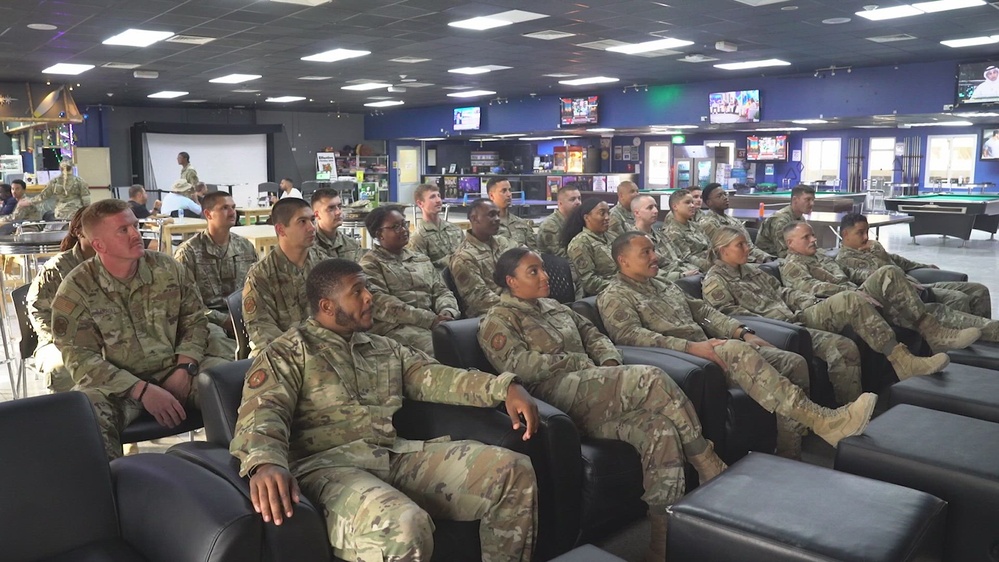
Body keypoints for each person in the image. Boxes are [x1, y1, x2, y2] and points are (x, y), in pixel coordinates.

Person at [230, 258, 539, 562]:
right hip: (329, 470)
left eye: (368, 289)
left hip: (392, 456)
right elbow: (264, 411)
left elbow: (438, 377)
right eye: (357, 291)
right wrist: (265, 463)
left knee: (513, 470)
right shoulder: (287, 353)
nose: (369, 297)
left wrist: (504, 387)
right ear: (327, 306)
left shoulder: (383, 348)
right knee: (405, 526)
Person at [478, 247, 726, 561]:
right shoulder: (498, 320)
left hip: (595, 393)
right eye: (533, 272)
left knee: (659, 429)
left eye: (543, 269)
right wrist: (577, 361)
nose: (545, 276)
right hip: (555, 397)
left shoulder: (555, 306)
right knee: (651, 378)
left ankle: (661, 539)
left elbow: (593, 335)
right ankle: (706, 462)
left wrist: (608, 360)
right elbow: (519, 366)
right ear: (511, 281)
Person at [598, 232, 878, 457]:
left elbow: (705, 313)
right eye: (645, 252)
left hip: (712, 347)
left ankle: (789, 451)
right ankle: (824, 421)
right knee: (734, 350)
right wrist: (690, 348)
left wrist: (742, 332)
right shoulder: (614, 295)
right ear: (623, 260)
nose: (655, 256)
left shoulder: (665, 285)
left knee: (792, 362)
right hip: (684, 361)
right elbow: (629, 336)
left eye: (653, 250)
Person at [51, 199, 228, 459]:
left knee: (234, 384)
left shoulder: (168, 269)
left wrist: (185, 367)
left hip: (178, 370)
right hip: (119, 387)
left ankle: (247, 471)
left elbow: (195, 320)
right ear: (99, 245)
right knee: (83, 416)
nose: (135, 234)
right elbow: (80, 358)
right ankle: (109, 484)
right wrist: (141, 390)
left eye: (135, 225)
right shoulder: (76, 289)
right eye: (123, 230)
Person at [702, 226, 950, 404]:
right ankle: (849, 407)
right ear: (723, 250)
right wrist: (775, 325)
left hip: (798, 317)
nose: (748, 248)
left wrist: (815, 302)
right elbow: (728, 317)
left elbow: (785, 293)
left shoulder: (753, 271)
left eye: (746, 243)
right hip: (777, 331)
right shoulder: (715, 281)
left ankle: (894, 367)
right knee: (843, 345)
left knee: (850, 302)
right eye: (740, 245)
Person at [780, 222, 986, 352]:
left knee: (900, 281)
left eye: (813, 235)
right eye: (806, 237)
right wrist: (851, 291)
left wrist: (876, 277)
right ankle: (932, 332)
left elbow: (850, 273)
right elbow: (814, 288)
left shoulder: (821, 255)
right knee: (888, 272)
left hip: (857, 293)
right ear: (790, 243)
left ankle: (953, 338)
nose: (814, 239)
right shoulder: (792, 265)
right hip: (839, 305)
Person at [838, 213, 992, 318]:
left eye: (867, 232)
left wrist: (925, 266)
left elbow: (899, 261)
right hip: (908, 295)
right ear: (845, 234)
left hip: (920, 285)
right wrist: (880, 251)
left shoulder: (870, 249)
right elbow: (881, 276)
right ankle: (963, 349)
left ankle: (984, 343)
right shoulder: (845, 259)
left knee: (979, 290)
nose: (866, 237)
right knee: (958, 298)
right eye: (860, 233)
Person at [360, 205, 459, 355]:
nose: (404, 230)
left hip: (435, 322)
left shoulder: (420, 259)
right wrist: (429, 319)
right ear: (379, 234)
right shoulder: (370, 264)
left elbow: (441, 291)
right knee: (442, 350)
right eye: (396, 227)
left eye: (404, 224)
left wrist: (447, 312)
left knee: (470, 341)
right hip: (396, 327)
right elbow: (382, 303)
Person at [174, 191, 258, 351]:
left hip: (243, 315)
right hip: (207, 319)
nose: (232, 212)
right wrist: (223, 320)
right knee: (217, 343)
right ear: (208, 214)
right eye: (224, 208)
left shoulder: (245, 247)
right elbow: (186, 304)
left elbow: (257, 288)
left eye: (233, 207)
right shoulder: (189, 252)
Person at [26, 207, 96, 392]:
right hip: (59, 341)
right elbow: (39, 311)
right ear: (79, 232)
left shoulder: (117, 263)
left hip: (106, 338)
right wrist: (65, 341)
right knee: (64, 370)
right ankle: (67, 410)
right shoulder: (57, 268)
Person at [243, 198, 322, 356]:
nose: (312, 227)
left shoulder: (324, 265)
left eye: (312, 220)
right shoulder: (261, 275)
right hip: (283, 353)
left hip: (323, 346)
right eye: (302, 222)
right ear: (281, 229)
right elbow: (261, 328)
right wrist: (301, 353)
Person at [450, 198, 520, 317]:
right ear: (474, 219)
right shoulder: (464, 257)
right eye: (491, 215)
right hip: (490, 314)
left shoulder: (503, 242)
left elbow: (528, 259)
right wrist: (517, 305)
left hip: (516, 303)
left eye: (497, 214)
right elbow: (479, 299)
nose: (497, 219)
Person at [700, 183, 774, 263]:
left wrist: (766, 258)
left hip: (748, 259)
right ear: (709, 202)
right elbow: (725, 253)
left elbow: (749, 247)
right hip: (731, 264)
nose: (725, 198)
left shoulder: (734, 221)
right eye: (719, 196)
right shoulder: (708, 223)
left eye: (725, 194)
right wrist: (757, 261)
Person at [564, 198, 615, 297]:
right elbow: (589, 282)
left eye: (608, 213)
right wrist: (620, 287)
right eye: (602, 213)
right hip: (602, 295)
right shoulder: (580, 243)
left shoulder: (611, 236)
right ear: (587, 218)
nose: (607, 217)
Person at [408, 183, 463, 270]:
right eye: (432, 197)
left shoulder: (454, 229)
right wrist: (449, 260)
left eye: (439, 196)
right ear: (420, 203)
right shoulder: (418, 237)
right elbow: (421, 270)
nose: (438, 200)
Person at [660, 188, 713, 273]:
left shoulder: (695, 226)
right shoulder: (672, 232)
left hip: (711, 262)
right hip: (699, 269)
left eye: (692, 202)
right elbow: (687, 258)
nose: (692, 205)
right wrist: (713, 265)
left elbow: (710, 246)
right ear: (675, 206)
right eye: (687, 202)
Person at [755, 184, 815, 258]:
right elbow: (784, 253)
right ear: (795, 200)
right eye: (807, 200)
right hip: (770, 260)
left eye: (813, 200)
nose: (812, 203)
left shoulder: (800, 218)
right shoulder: (780, 220)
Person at [23, 160, 90, 220]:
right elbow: (86, 200)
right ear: (72, 168)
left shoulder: (54, 182)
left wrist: (29, 201)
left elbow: (43, 196)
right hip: (76, 213)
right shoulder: (79, 181)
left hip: (60, 213)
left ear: (60, 169)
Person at [311, 188, 364, 261]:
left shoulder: (352, 245)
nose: (338, 212)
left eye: (339, 206)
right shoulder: (308, 246)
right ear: (317, 215)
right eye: (331, 208)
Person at [486, 176, 536, 248]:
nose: (509, 194)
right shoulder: (486, 226)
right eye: (504, 191)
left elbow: (534, 250)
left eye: (510, 190)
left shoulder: (521, 223)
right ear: (491, 196)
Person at [537, 184, 581, 257]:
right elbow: (559, 254)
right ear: (560, 203)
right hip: (556, 262)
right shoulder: (550, 224)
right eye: (572, 199)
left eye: (579, 198)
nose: (578, 202)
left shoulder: (577, 220)